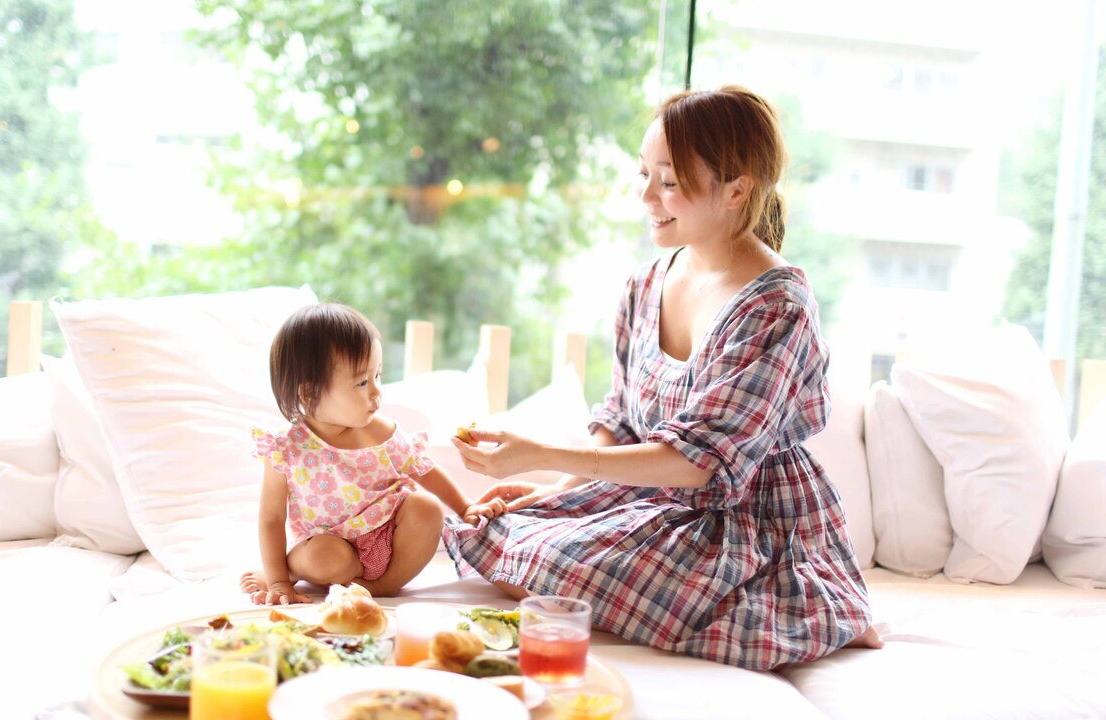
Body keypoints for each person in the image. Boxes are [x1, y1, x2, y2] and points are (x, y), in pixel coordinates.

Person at [445, 85, 882, 670]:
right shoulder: (645, 283)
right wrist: (555, 490)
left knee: (559, 572)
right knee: (497, 536)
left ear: (736, 190)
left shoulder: (777, 305)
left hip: (744, 520)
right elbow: (622, 421)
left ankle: (818, 615)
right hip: (649, 493)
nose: (646, 195)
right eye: (644, 173)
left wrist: (542, 454)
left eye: (669, 181)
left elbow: (699, 464)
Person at [240, 302, 507, 605]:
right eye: (362, 382)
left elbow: (425, 470)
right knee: (323, 557)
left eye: (377, 376)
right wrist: (276, 583)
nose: (377, 392)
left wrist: (465, 508)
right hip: (331, 545)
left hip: (389, 538)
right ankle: (287, 573)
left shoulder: (383, 432)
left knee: (427, 508)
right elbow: (271, 519)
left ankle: (384, 585)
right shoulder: (287, 450)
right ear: (310, 392)